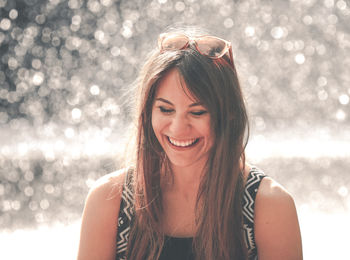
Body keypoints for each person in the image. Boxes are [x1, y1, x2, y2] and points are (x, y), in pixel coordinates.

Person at [77, 28, 303, 260]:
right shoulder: (109, 201)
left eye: (197, 112)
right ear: (147, 112)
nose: (178, 128)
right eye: (165, 109)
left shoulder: (269, 207)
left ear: (230, 115)